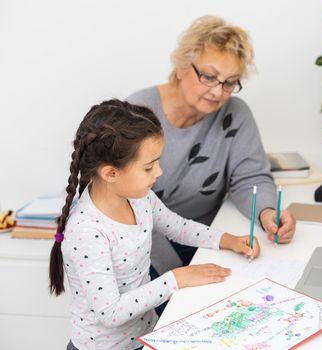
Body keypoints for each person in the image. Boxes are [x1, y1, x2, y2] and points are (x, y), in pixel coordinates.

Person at [48, 99, 260, 350]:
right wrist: (176, 279)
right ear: (111, 173)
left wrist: (227, 240)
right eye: (148, 167)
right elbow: (110, 312)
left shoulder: (140, 198)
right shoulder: (87, 231)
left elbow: (177, 227)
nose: (158, 172)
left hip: (144, 336)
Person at [127, 15, 296, 274]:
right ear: (183, 65)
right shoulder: (138, 113)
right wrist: (176, 274)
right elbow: (127, 210)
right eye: (208, 76)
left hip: (203, 239)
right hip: (140, 248)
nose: (218, 92)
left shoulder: (234, 114)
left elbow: (249, 177)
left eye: (229, 82)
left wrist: (266, 213)